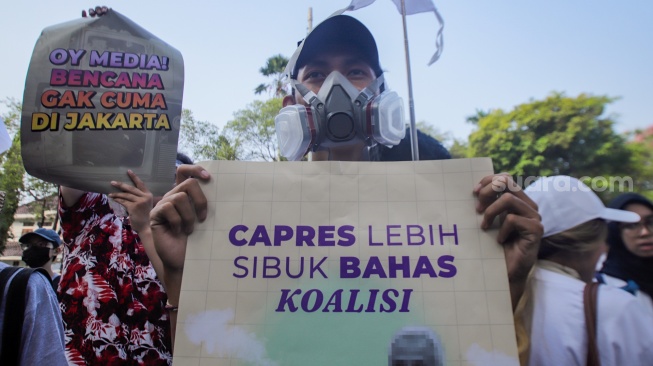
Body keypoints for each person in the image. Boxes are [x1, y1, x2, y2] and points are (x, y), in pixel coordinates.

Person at [150, 14, 542, 344]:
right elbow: (212, 349)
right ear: (294, 103)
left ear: (380, 93)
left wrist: (503, 283)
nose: (336, 86)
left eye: (355, 71)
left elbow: (463, 343)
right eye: (317, 74)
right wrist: (187, 276)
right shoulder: (240, 214)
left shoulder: (430, 212)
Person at [522, 176, 653, 365]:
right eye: (632, 226)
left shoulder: (506, 298)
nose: (645, 233)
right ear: (596, 241)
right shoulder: (614, 307)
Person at [58, 166, 176, 364]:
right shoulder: (92, 219)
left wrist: (147, 227)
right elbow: (75, 166)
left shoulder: (181, 244)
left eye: (172, 181)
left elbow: (184, 303)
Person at [0, 261, 67, 365]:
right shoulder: (28, 284)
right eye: (27, 246)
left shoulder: (28, 286)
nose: (31, 248)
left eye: (41, 243)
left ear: (55, 251)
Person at [598, 193, 653, 312]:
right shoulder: (605, 287)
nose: (644, 232)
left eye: (650, 222)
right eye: (631, 225)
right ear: (615, 232)